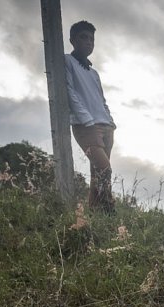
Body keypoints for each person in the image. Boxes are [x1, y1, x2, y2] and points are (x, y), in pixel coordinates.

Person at [65, 20, 116, 213]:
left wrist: (110, 120)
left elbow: (101, 99)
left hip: (106, 126)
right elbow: (70, 93)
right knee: (105, 169)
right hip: (86, 126)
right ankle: (109, 210)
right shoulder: (67, 61)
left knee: (97, 173)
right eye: (83, 37)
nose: (88, 42)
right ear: (73, 40)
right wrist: (88, 121)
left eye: (91, 39)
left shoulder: (94, 72)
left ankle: (96, 216)